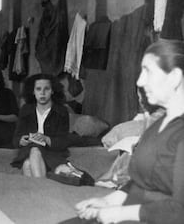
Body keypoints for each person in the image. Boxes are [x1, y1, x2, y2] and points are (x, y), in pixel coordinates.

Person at [71, 40, 184, 224]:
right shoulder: (156, 126)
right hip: (135, 212)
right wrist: (108, 201)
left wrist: (120, 214)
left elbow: (180, 211)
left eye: (147, 71)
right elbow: (141, 181)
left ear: (174, 77)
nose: (140, 81)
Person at [11, 74, 69, 177]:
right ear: (33, 91)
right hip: (29, 150)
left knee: (28, 163)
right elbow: (15, 139)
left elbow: (64, 141)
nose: (42, 93)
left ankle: (40, 188)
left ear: (52, 91)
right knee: (32, 153)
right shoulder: (25, 110)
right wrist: (22, 140)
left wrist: (46, 139)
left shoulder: (61, 111)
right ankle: (42, 188)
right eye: (38, 89)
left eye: (46, 89)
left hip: (52, 152)